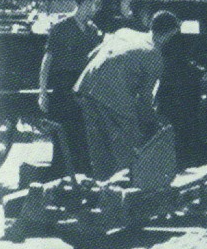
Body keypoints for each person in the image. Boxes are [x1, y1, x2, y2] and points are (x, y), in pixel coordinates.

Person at [74, 10, 181, 182]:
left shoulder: (124, 32)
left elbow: (91, 55)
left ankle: (101, 185)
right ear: (168, 34)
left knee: (98, 147)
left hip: (85, 88)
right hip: (112, 96)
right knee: (127, 144)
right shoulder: (154, 55)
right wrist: (154, 122)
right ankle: (123, 187)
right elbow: (144, 100)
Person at [37, 0, 103, 176]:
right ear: (84, 2)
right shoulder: (61, 27)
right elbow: (47, 61)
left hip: (84, 92)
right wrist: (42, 93)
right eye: (95, 3)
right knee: (62, 141)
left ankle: (79, 187)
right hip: (63, 91)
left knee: (83, 142)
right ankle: (58, 186)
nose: (98, 8)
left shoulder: (93, 31)